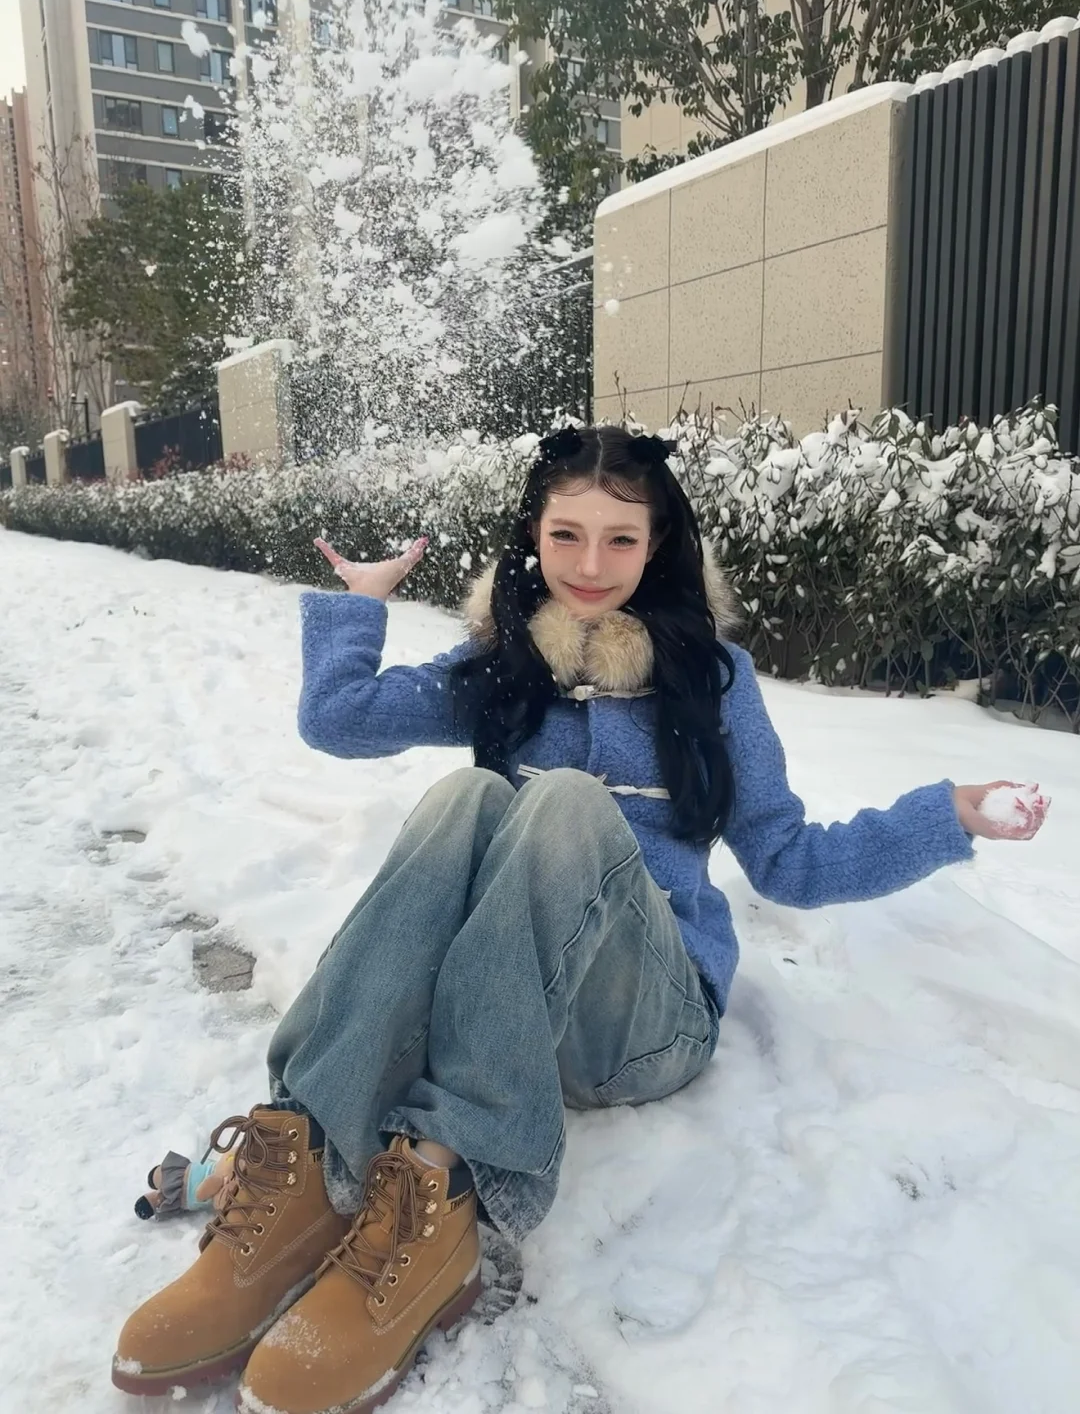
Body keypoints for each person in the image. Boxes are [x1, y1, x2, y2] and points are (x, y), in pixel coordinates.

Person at [112, 425, 1048, 1414]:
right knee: (465, 801)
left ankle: (440, 1195)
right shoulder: (506, 665)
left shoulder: (715, 683)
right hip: (510, 1011)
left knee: (560, 802)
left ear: (658, 546)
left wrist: (945, 816)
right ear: (533, 536)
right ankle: (305, 1166)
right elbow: (339, 721)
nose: (591, 565)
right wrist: (363, 604)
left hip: (644, 1026)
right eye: (567, 535)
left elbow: (792, 863)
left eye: (620, 539)